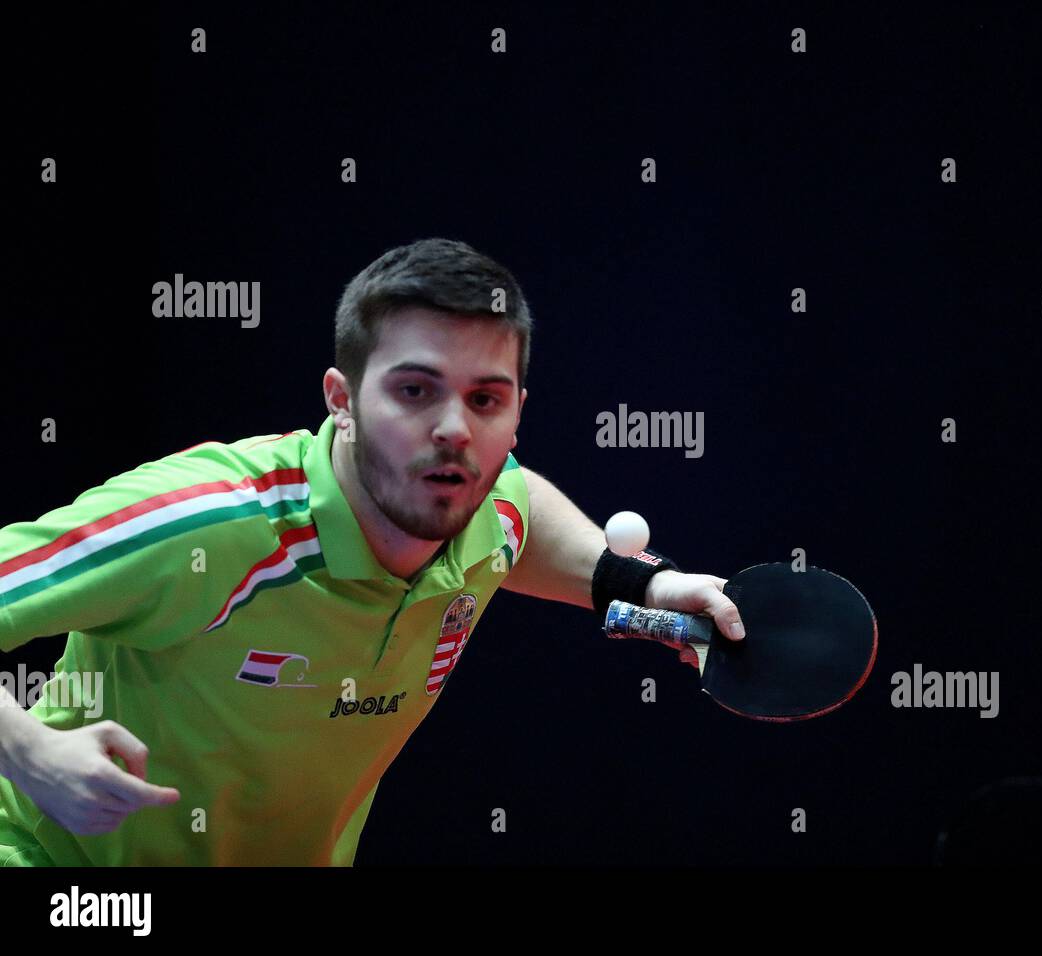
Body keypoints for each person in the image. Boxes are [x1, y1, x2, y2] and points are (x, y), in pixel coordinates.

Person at [0, 238, 745, 865]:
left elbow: (518, 507)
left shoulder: (479, 506)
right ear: (342, 399)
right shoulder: (202, 525)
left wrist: (643, 586)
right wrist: (29, 751)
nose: (455, 429)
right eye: (416, 391)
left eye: (485, 399)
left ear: (519, 411)